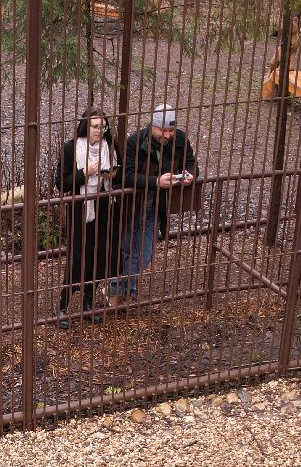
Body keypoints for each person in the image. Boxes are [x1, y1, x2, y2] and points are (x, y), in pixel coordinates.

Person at [109, 103, 198, 309]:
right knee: (128, 250)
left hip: (155, 207)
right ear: (153, 126)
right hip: (132, 206)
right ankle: (126, 294)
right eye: (163, 130)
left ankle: (116, 287)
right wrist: (156, 181)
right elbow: (126, 175)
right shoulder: (136, 142)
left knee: (145, 254)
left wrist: (189, 174)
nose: (167, 135)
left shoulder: (180, 140)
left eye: (170, 130)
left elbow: (191, 162)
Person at [53, 108, 117, 329]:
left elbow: (113, 178)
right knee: (78, 257)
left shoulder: (108, 147)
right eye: (95, 126)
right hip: (80, 207)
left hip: (101, 206)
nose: (100, 131)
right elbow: (61, 182)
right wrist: (85, 173)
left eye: (103, 127)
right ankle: (62, 304)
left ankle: (88, 303)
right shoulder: (71, 148)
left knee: (98, 254)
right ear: (85, 127)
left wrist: (110, 175)